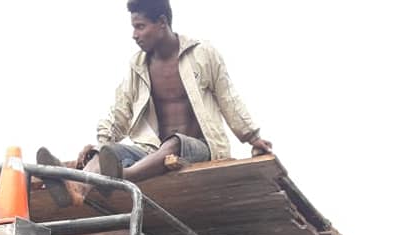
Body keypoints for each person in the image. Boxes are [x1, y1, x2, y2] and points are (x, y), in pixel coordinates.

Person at [37, 0, 272, 206]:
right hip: (152, 152)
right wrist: (100, 146)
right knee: (107, 153)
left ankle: (124, 177)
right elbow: (120, 111)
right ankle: (77, 188)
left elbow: (228, 96)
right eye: (133, 27)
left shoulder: (202, 53)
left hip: (201, 148)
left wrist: (252, 137)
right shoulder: (138, 65)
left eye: (140, 26)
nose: (134, 34)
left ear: (161, 22)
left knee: (175, 142)